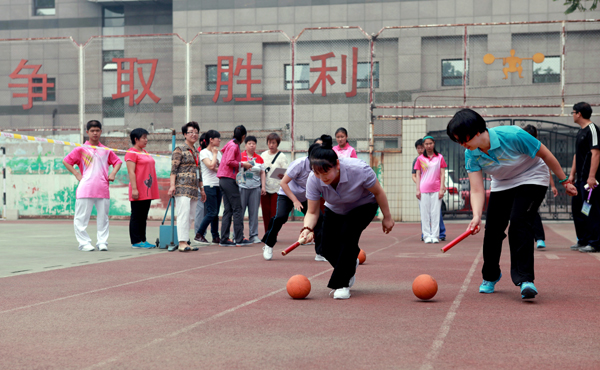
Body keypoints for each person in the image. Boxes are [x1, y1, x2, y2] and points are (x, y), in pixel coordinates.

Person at [447, 109, 577, 299]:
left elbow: (546, 155)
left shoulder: (513, 135)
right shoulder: (471, 154)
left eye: (463, 139)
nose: (462, 145)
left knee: (519, 223)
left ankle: (525, 280)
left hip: (532, 176)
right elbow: (476, 189)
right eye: (458, 141)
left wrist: (564, 180)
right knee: (492, 230)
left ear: (475, 131)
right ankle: (490, 276)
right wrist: (476, 216)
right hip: (503, 182)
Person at [299, 135, 395, 300]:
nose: (322, 178)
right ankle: (350, 262)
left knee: (347, 236)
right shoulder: (313, 180)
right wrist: (307, 228)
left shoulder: (359, 169)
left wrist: (387, 217)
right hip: (335, 208)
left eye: (326, 172)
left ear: (336, 164)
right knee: (324, 247)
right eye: (317, 173)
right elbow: (313, 212)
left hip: (363, 205)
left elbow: (378, 192)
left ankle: (342, 284)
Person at [63, 120, 122, 251]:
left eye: (97, 130)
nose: (95, 133)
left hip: (103, 188)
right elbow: (66, 161)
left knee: (103, 218)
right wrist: (77, 174)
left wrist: (112, 173)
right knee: (81, 218)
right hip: (86, 188)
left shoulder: (105, 150)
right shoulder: (81, 149)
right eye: (92, 131)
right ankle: (84, 243)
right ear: (87, 132)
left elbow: (118, 161)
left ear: (101, 131)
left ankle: (102, 242)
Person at [262, 140, 325, 262]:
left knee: (319, 219)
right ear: (311, 157)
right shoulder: (299, 164)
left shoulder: (321, 167)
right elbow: (283, 183)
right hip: (287, 194)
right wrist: (295, 201)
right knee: (280, 217)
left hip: (307, 196)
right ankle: (268, 245)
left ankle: (320, 252)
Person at [168, 122, 206, 252]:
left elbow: (199, 171)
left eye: (196, 132)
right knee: (183, 214)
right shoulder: (179, 150)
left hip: (193, 189)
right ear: (185, 134)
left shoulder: (196, 151)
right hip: (182, 187)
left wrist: (202, 189)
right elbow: (173, 169)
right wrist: (172, 186)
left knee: (191, 216)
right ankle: (182, 242)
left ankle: (186, 241)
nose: (194, 134)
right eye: (191, 132)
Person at [568, 102, 600, 253]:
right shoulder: (580, 131)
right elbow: (577, 155)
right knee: (578, 210)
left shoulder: (592, 130)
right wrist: (572, 174)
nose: (572, 115)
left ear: (579, 113)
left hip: (589, 182)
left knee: (591, 210)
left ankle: (595, 242)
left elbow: (596, 153)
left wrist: (592, 176)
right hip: (579, 180)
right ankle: (583, 240)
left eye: (573, 112)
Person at [522, 125, 558, 249]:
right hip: (522, 183)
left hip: (536, 184)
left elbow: (546, 168)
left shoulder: (539, 148)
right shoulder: (520, 147)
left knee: (531, 211)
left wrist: (553, 185)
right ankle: (533, 238)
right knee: (526, 213)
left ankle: (539, 238)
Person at [218, 125, 254, 247]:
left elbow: (223, 151)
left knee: (228, 210)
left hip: (223, 179)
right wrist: (243, 164)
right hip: (228, 179)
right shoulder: (234, 146)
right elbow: (229, 161)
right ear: (243, 137)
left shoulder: (230, 143)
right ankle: (239, 238)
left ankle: (224, 239)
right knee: (237, 208)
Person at [125, 128, 159, 249]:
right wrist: (134, 189)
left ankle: (142, 239)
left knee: (143, 215)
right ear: (136, 139)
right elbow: (131, 172)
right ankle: (135, 241)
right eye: (143, 137)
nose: (146, 140)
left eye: (146, 137)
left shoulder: (144, 152)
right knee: (136, 215)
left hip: (147, 189)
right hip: (138, 189)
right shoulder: (131, 152)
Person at [414, 136, 447, 244]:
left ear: (434, 143)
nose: (428, 146)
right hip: (423, 189)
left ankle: (435, 235)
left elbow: (442, 174)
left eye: (430, 143)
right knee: (425, 214)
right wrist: (417, 189)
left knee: (435, 213)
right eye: (426, 144)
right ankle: (426, 235)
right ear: (424, 145)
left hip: (436, 189)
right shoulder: (420, 159)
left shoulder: (440, 158)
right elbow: (417, 175)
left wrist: (442, 188)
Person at [194, 130, 222, 245]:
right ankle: (199, 234)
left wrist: (216, 163)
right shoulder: (204, 152)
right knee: (211, 212)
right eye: (217, 138)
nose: (219, 140)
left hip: (218, 184)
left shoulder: (219, 153)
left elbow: (221, 168)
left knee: (216, 213)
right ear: (211, 140)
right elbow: (211, 166)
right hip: (208, 185)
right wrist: (214, 155)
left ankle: (215, 236)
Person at [238, 135, 266, 244]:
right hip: (242, 187)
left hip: (255, 188)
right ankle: (238, 234)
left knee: (254, 213)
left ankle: (253, 235)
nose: (251, 145)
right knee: (239, 212)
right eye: (249, 143)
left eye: (253, 143)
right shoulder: (240, 156)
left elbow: (262, 172)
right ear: (245, 145)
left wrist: (263, 187)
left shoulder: (259, 158)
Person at [260, 133, 289, 233]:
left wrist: (280, 174)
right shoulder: (263, 155)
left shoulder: (282, 156)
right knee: (265, 212)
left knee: (274, 213)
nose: (271, 145)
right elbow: (260, 170)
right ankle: (266, 232)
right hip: (264, 187)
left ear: (277, 144)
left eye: (273, 143)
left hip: (277, 188)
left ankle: (273, 232)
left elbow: (286, 172)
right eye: (269, 142)